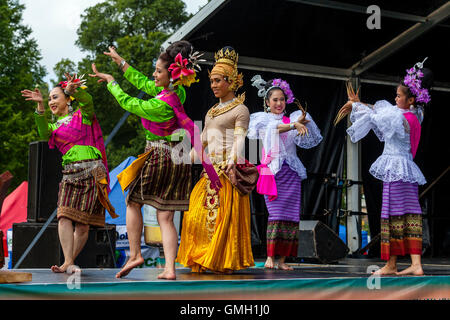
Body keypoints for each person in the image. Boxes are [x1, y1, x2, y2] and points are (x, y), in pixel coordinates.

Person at [90, 41, 220, 279]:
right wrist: (120, 62)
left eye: (158, 71)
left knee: (132, 201)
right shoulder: (177, 92)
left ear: (170, 75)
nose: (154, 74)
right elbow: (144, 82)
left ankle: (136, 254)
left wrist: (112, 83)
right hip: (178, 155)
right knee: (165, 215)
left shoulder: (160, 105)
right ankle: (170, 269)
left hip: (160, 155)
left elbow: (130, 103)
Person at [335, 58, 432, 276]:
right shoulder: (416, 114)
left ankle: (392, 264)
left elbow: (379, 115)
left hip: (397, 171)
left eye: (399, 96)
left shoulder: (400, 117)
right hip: (406, 170)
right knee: (410, 213)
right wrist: (362, 104)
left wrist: (357, 105)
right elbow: (382, 111)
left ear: (411, 99)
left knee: (393, 214)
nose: (395, 99)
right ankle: (415, 264)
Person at [21, 74, 116, 274]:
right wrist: (40, 107)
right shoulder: (55, 129)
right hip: (70, 174)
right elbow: (43, 132)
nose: (51, 102)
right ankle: (69, 262)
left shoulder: (84, 116)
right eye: (49, 99)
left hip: (92, 173)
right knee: (63, 216)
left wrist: (75, 90)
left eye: (55, 97)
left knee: (82, 225)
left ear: (67, 99)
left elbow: (88, 101)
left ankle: (68, 262)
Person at [176, 47, 257, 274]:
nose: (213, 85)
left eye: (217, 80)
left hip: (227, 172)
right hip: (208, 171)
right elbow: (202, 142)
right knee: (194, 215)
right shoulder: (211, 111)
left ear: (230, 82)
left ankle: (223, 261)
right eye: (211, 81)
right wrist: (181, 160)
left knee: (223, 219)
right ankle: (202, 257)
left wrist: (233, 159)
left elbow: (240, 138)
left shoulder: (240, 109)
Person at [248, 75, 322, 270]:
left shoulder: (293, 118)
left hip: (291, 172)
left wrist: (304, 122)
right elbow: (274, 129)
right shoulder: (263, 120)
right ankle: (270, 257)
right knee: (275, 214)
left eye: (282, 99)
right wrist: (293, 125)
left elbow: (306, 135)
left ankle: (283, 260)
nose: (279, 103)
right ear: (267, 102)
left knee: (290, 216)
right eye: (275, 100)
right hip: (272, 172)